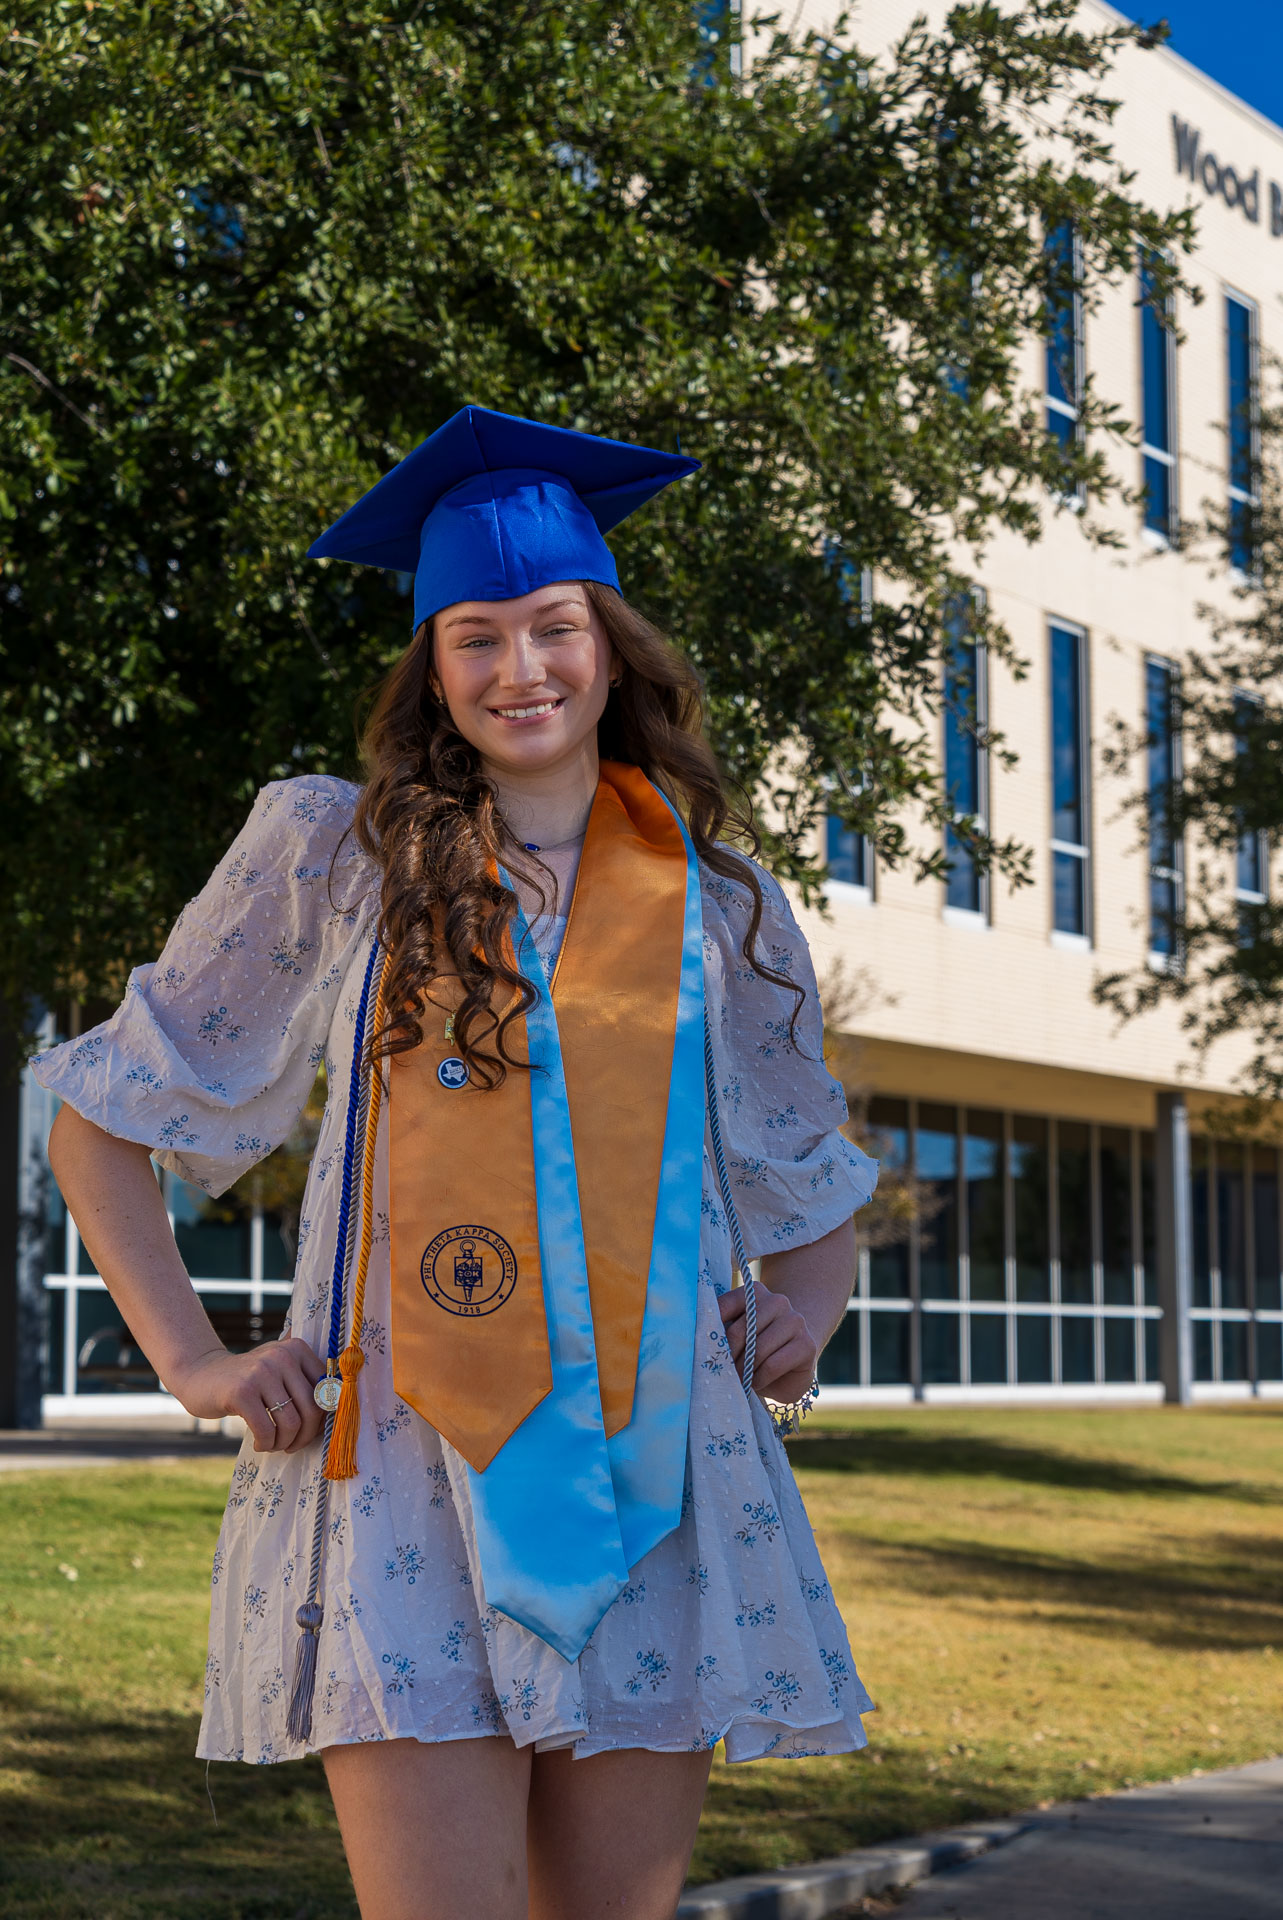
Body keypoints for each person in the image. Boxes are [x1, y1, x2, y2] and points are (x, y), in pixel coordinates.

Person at [35, 406, 878, 1920]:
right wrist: (194, 1361)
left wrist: (800, 1323)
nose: (520, 669)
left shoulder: (716, 900)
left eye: (554, 628)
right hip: (408, 1465)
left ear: (611, 648)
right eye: (474, 636)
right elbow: (99, 1118)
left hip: (656, 1475)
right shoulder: (332, 852)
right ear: (431, 665)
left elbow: (814, 1189)